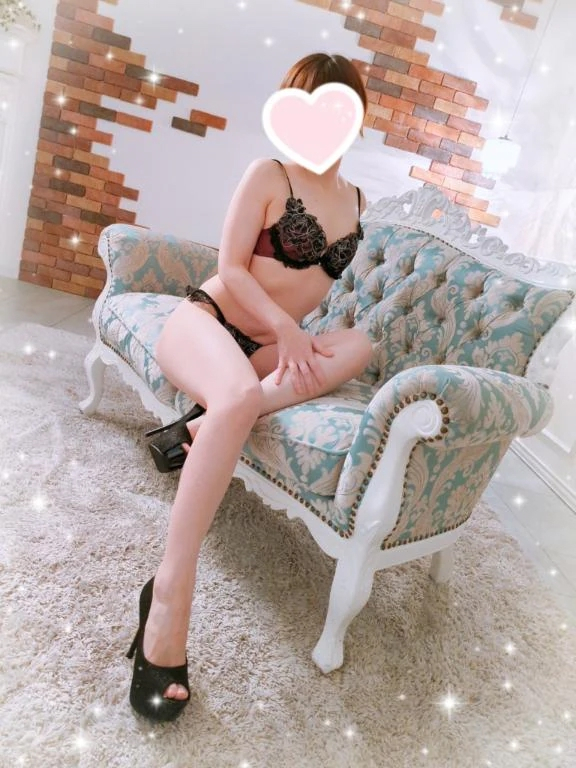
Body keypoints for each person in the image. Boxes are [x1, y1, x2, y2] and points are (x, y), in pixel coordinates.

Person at [126, 52, 374, 722]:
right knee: (235, 395)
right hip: (206, 323)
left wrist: (292, 337)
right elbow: (232, 268)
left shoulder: (357, 201)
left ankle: (203, 425)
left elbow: (314, 298)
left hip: (265, 353)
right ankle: (169, 597)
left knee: (360, 345)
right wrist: (287, 330)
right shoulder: (269, 174)